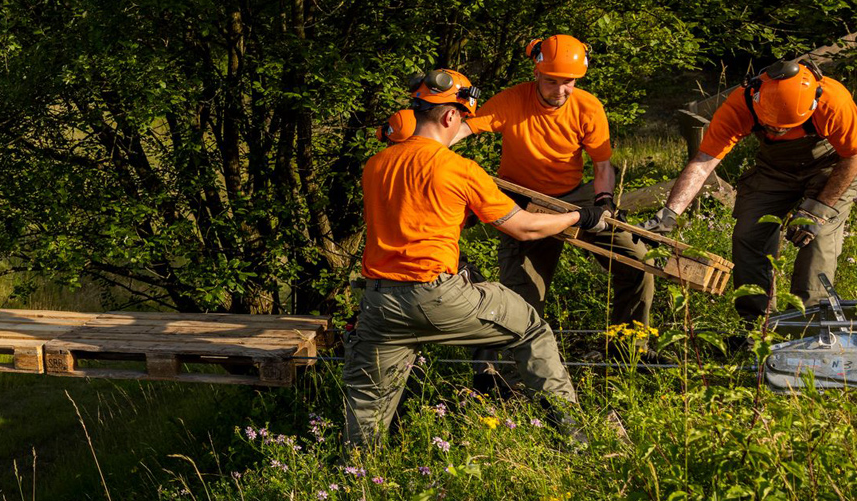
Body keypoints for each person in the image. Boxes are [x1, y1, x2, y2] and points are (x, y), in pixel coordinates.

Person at [346, 68, 598, 447]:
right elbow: (525, 229)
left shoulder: (376, 166)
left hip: (379, 302)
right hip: (435, 295)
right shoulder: (459, 169)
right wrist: (581, 215)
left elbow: (415, 217)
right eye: (463, 117)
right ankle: (577, 441)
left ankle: (358, 474)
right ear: (450, 116)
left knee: (367, 408)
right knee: (531, 328)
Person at [638, 59, 857, 338]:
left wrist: (818, 209)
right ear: (756, 99)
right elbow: (705, 160)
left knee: (817, 243)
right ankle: (756, 329)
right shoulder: (740, 104)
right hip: (774, 170)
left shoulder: (833, 100)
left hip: (832, 169)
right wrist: (670, 213)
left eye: (788, 126)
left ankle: (807, 335)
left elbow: (852, 156)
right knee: (748, 234)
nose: (780, 132)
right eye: (774, 127)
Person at [464, 35, 655, 332]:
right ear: (536, 73)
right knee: (523, 293)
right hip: (522, 202)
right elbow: (462, 129)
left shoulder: (587, 107)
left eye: (569, 81)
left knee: (637, 264)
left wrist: (604, 203)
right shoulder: (513, 100)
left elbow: (602, 164)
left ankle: (630, 348)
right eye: (552, 81)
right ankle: (508, 370)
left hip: (575, 197)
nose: (561, 90)